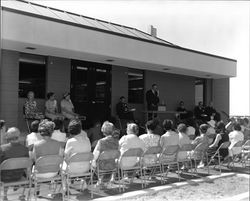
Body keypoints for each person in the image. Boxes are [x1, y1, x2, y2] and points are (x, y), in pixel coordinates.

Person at [0, 127, 29, 201]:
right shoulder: (25, 149)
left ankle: (5, 195)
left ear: (8, 137)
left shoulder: (2, 148)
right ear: (18, 136)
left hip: (4, 178)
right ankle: (22, 194)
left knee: (5, 170)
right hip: (18, 176)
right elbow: (27, 164)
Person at [92, 121, 119, 186]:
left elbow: (94, 156)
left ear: (103, 131)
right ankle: (106, 179)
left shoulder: (101, 142)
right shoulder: (117, 142)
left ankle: (100, 180)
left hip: (102, 166)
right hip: (113, 165)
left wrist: (93, 160)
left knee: (93, 161)